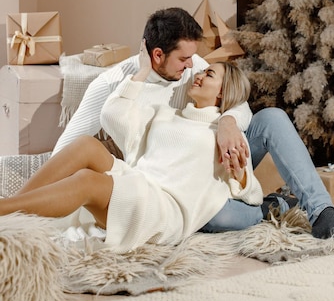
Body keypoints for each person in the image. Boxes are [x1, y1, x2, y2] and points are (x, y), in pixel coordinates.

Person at [52, 7, 334, 243]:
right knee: (211, 218)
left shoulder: (193, 66)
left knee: (271, 118)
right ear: (157, 55)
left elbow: (234, 99)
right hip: (173, 183)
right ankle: (274, 205)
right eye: (184, 60)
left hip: (219, 159)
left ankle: (323, 214)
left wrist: (228, 122)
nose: (193, 68)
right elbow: (67, 150)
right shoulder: (110, 85)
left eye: (195, 59)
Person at [0, 57, 264, 254]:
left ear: (222, 91)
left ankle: (4, 211)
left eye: (209, 74)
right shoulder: (166, 114)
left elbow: (252, 194)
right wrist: (141, 73)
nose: (199, 75)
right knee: (85, 145)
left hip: (163, 209)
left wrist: (240, 176)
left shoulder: (224, 135)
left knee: (87, 180)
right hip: (138, 181)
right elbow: (112, 116)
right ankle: (14, 208)